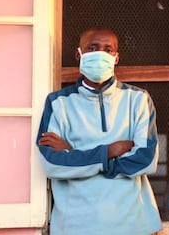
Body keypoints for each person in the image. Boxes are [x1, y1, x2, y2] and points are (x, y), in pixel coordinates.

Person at [36, 27, 162, 235]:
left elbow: (145, 160)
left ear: (116, 57)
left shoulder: (138, 99)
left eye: (107, 49)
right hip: (75, 226)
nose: (100, 54)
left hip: (134, 224)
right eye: (92, 48)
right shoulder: (58, 103)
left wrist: (74, 152)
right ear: (79, 54)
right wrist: (109, 151)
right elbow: (52, 164)